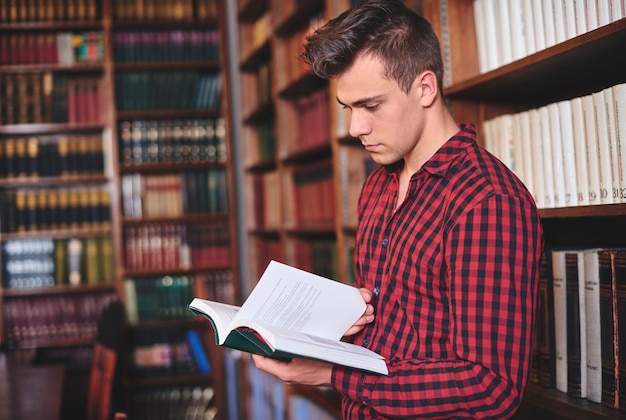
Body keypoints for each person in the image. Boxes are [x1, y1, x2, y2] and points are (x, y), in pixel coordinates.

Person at [252, 0, 544, 418]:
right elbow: (400, 330)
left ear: (425, 88)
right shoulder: (377, 185)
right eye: (348, 108)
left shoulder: (487, 201)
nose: (356, 128)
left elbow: (489, 386)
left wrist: (332, 374)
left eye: (371, 106)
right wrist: (334, 322)